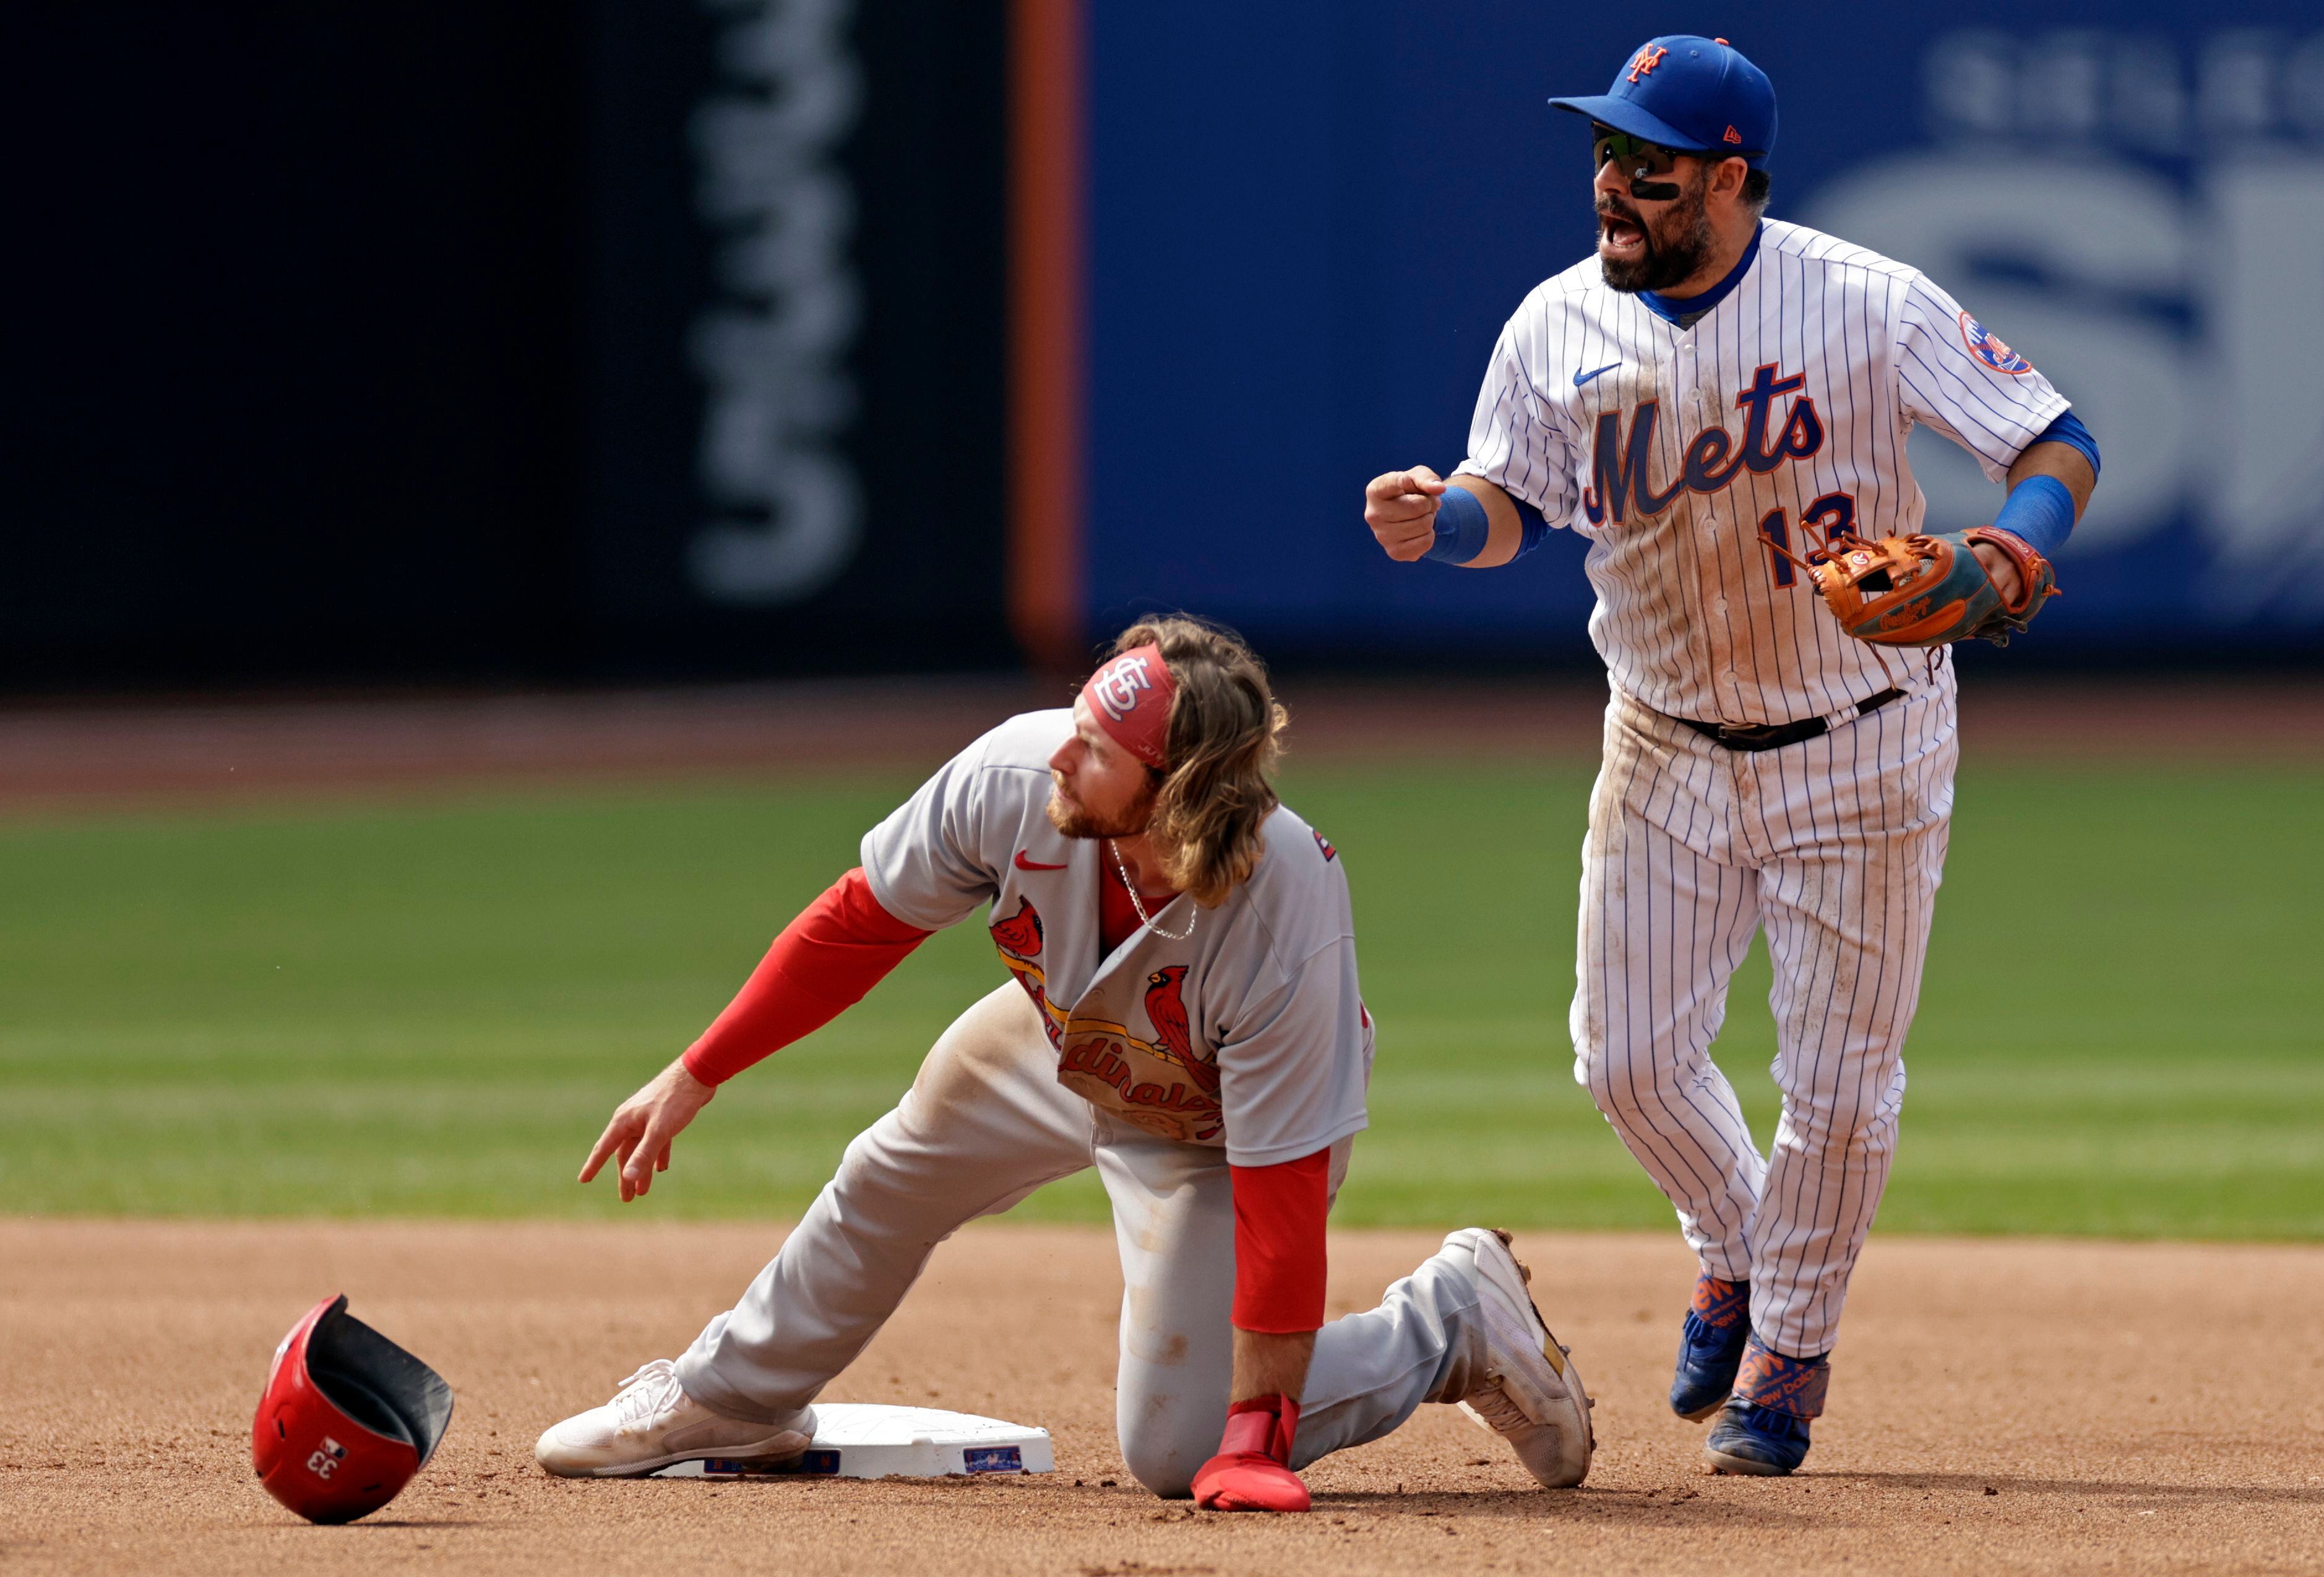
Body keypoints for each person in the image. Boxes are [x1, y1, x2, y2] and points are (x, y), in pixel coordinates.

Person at [1361, 37, 2099, 1476]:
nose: (1611, 187)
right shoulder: (1556, 324)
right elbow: (1510, 496)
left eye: (1648, 165)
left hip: (1864, 742)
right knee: (1623, 1058)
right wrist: (1439, 520)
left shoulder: (1865, 304)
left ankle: (1789, 1357)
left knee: (1835, 1085)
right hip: (1664, 741)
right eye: (1602, 157)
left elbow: (2055, 438)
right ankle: (1736, 1253)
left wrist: (2015, 548)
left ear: (1732, 178)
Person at [533, 615, 1592, 1509]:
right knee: (894, 1169)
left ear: (1174, 789)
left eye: (1096, 744)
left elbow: (1284, 1191)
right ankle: (732, 1393)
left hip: (1213, 1132)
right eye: (1078, 723)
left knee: (1177, 1450)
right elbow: (859, 925)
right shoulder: (1013, 777)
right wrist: (698, 1069)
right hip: (1057, 1039)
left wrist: (1256, 1433)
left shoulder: (1285, 915)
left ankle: (1449, 1316)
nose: (1061, 753)